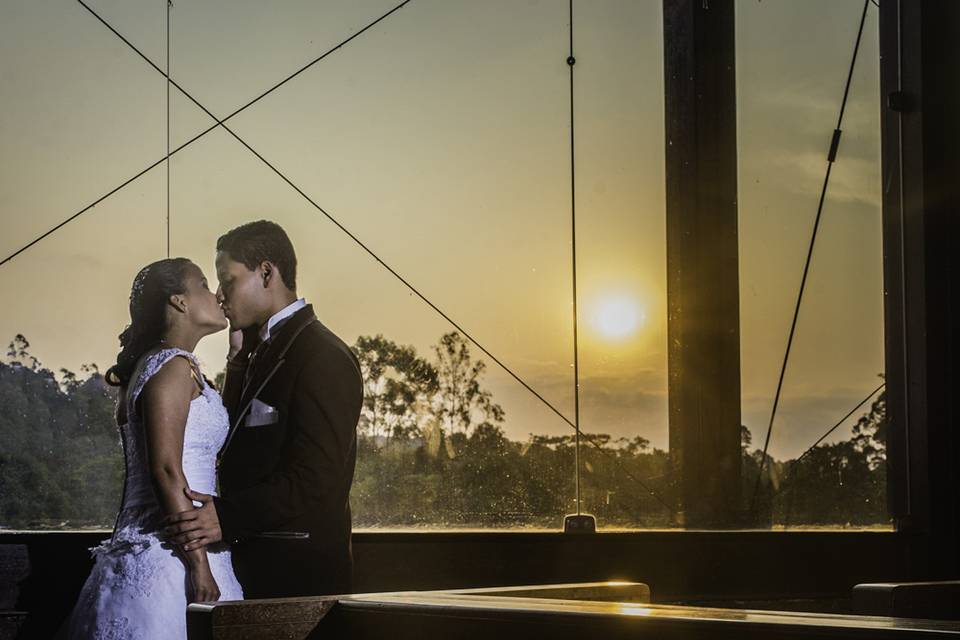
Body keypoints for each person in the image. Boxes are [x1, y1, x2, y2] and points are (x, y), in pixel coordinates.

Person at [162, 220, 363, 598]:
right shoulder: (258, 351)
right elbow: (232, 439)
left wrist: (227, 516)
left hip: (296, 576)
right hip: (253, 567)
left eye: (228, 280)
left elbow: (317, 478)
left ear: (267, 272)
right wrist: (237, 364)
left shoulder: (322, 355)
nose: (220, 294)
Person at [64, 258, 243, 639]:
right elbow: (165, 468)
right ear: (179, 301)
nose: (217, 294)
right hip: (173, 558)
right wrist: (198, 564)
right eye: (203, 284)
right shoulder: (172, 367)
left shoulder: (167, 366)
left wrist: (237, 358)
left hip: (162, 543)